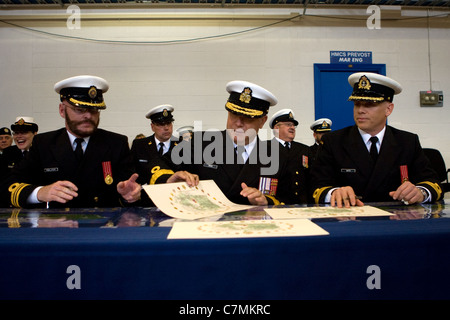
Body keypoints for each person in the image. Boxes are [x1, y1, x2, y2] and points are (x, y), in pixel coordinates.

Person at [0, 75, 141, 208]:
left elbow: (128, 190)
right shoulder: (43, 144)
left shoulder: (116, 143)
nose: (88, 115)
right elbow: (8, 185)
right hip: (58, 228)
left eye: (94, 110)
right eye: (79, 109)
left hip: (102, 227)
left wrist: (129, 196)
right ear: (62, 110)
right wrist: (39, 193)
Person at [147, 80, 292, 206]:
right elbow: (159, 163)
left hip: (253, 231)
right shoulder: (200, 143)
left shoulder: (277, 155)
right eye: (234, 114)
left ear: (262, 121)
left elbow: (289, 199)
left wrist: (266, 201)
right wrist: (170, 178)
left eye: (248, 117)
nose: (238, 123)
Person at [310, 72, 442, 207]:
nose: (360, 110)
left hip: (396, 219)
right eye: (357, 104)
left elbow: (432, 183)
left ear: (388, 109)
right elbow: (316, 185)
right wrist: (334, 193)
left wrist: (420, 192)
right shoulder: (334, 141)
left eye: (369, 104)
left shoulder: (407, 142)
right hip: (350, 220)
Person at [269, 108, 310, 204]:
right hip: (276, 204)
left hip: (302, 204)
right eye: (288, 125)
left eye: (293, 125)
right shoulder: (265, 148)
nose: (292, 127)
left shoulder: (304, 149)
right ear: (276, 128)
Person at [131, 104, 178, 187]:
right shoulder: (140, 145)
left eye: (169, 123)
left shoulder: (183, 146)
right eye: (161, 124)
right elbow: (133, 171)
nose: (166, 128)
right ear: (152, 127)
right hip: (146, 195)